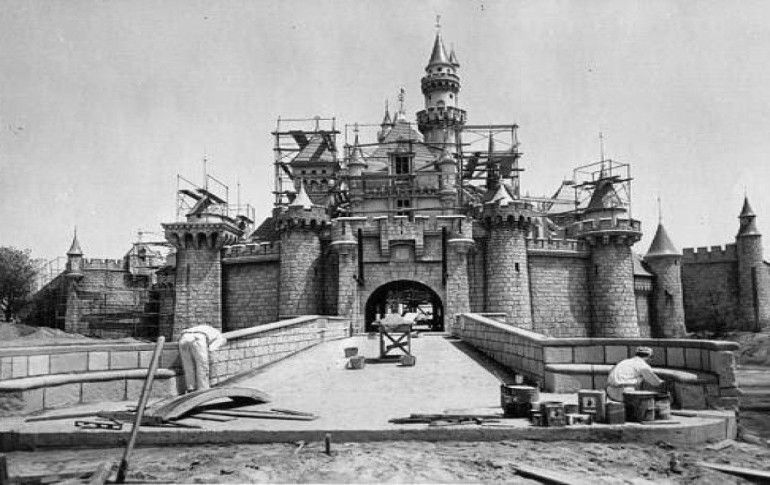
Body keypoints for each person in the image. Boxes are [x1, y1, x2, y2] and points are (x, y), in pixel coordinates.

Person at [178, 324, 227, 392]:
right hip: (198, 339)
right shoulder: (220, 338)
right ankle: (203, 389)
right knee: (202, 366)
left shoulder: (208, 329)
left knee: (188, 366)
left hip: (183, 338)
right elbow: (211, 349)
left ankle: (191, 388)